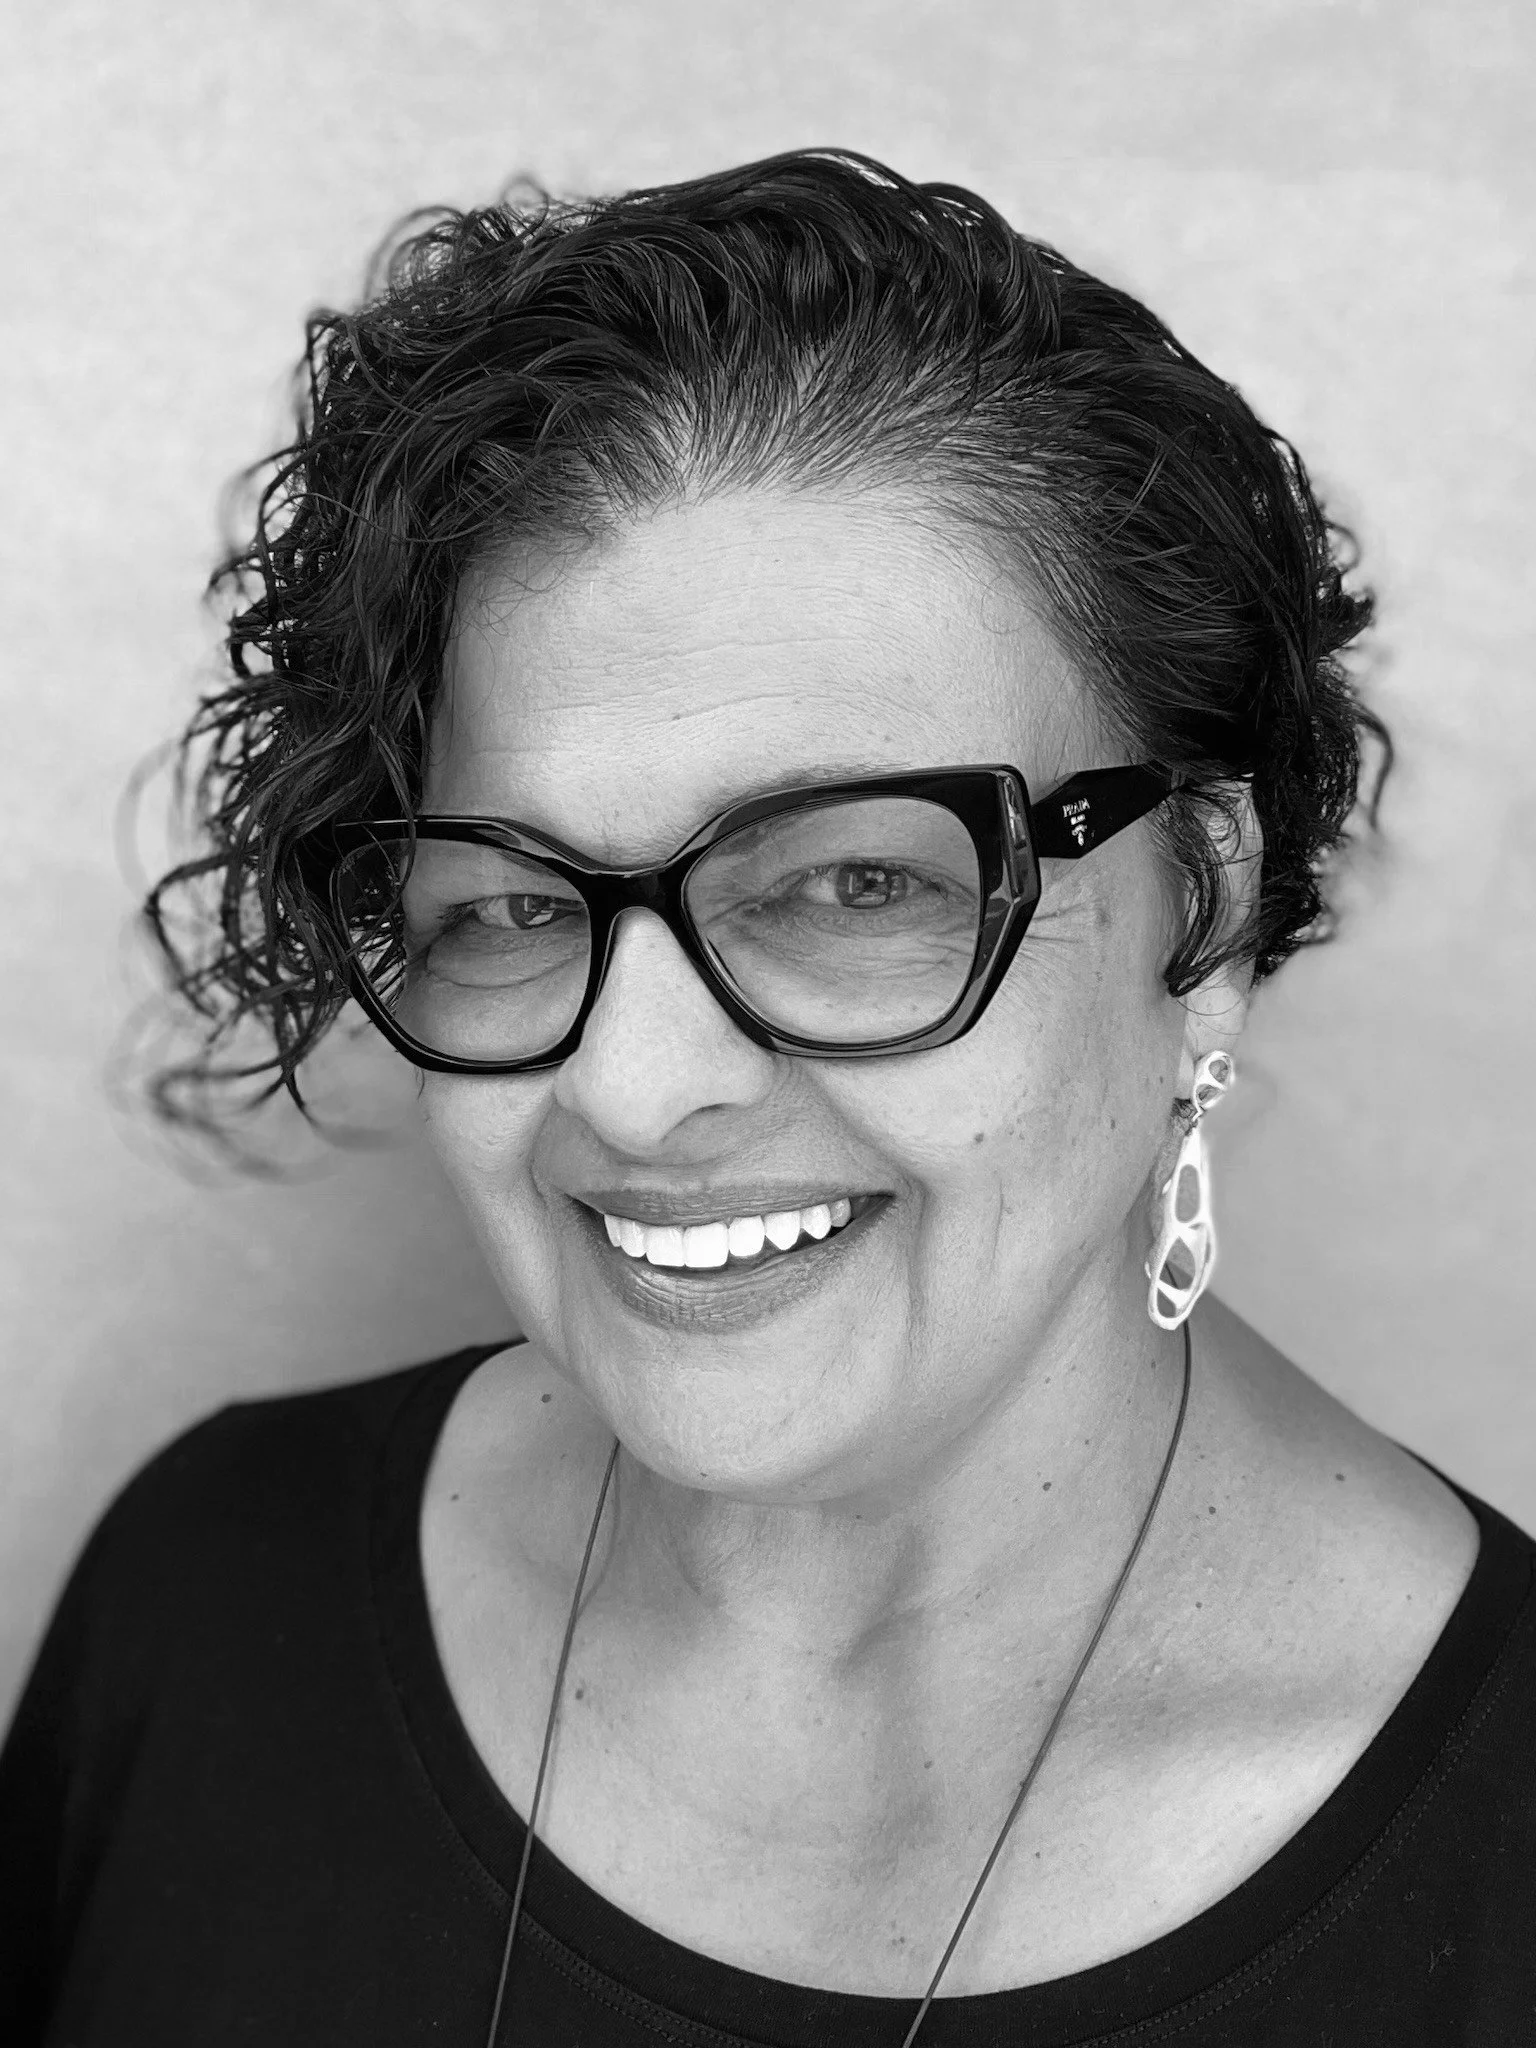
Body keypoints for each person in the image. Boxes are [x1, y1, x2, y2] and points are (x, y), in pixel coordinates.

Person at [2, 150, 1531, 2047]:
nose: (635, 1091)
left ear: (1200, 906)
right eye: (510, 904)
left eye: (854, 884)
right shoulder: (212, 1602)